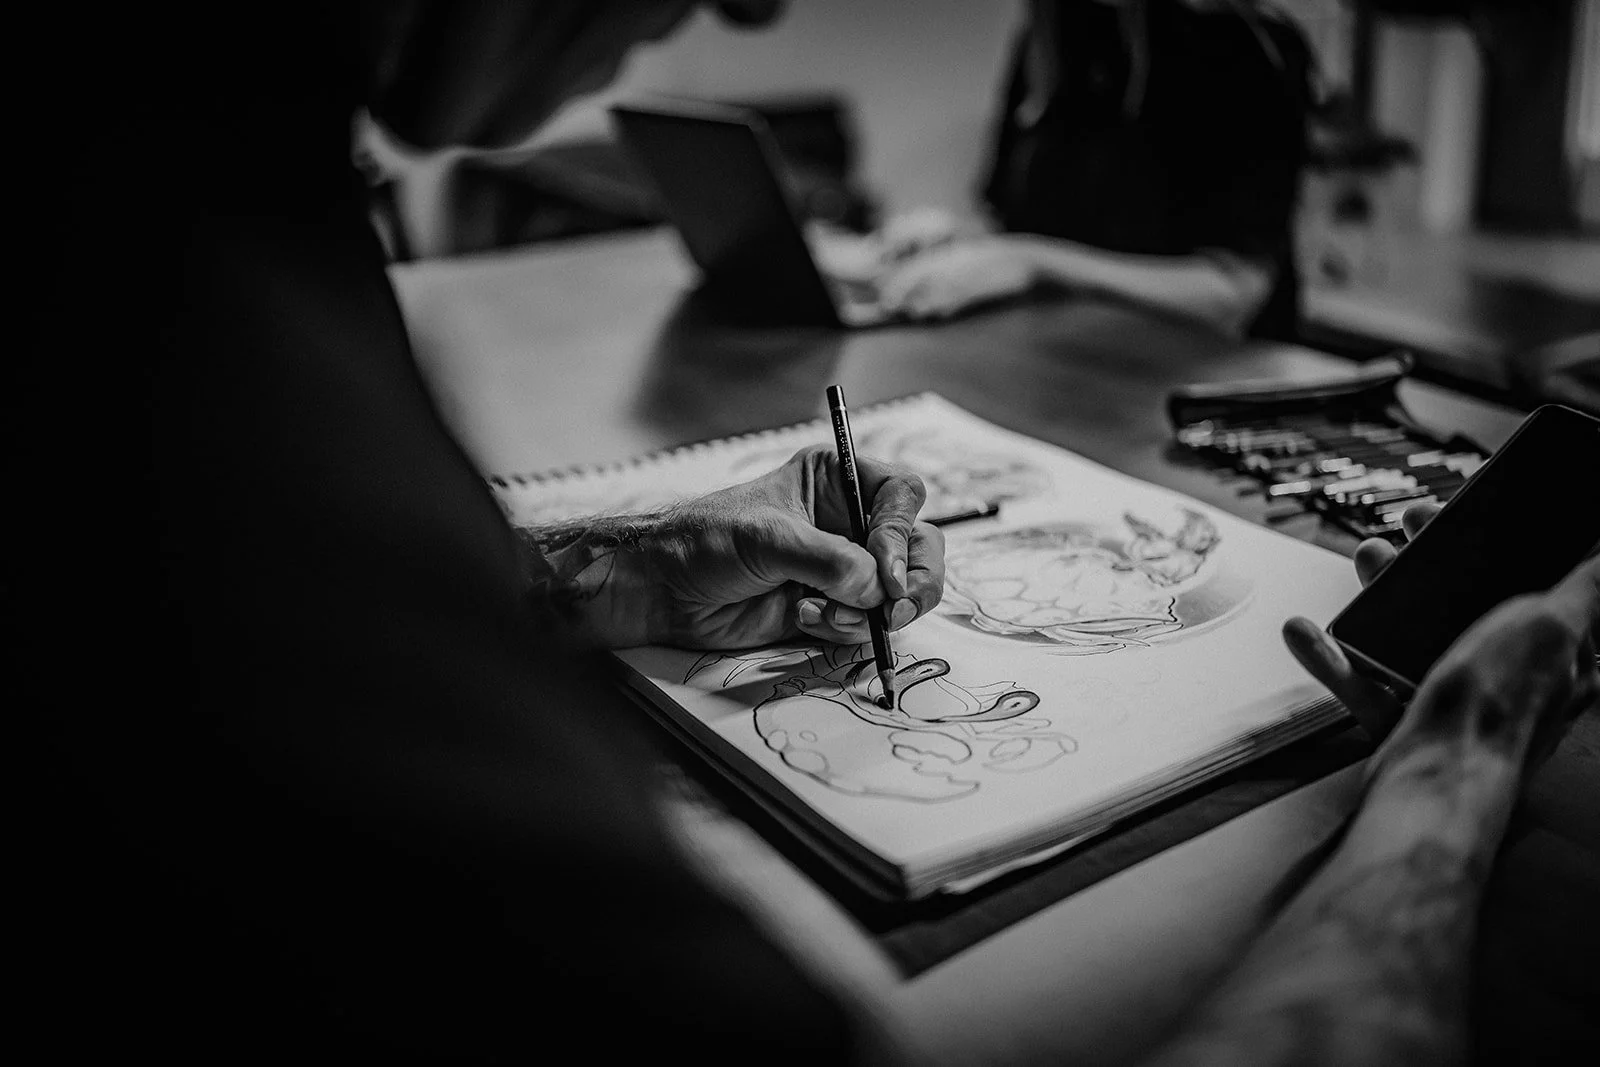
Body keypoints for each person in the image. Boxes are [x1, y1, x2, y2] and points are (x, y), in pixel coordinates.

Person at [22, 2, 1596, 1062]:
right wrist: (1451, 766)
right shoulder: (181, 325)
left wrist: (610, 565)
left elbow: (1241, 284)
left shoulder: (216, 168)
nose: (761, 3)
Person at [874, 0, 1315, 341]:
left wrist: (1029, 260)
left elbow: (1232, 296)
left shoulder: (1240, 46)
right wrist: (961, 240)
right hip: (1062, 362)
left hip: (1204, 381)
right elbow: (1021, 226)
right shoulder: (1052, 38)